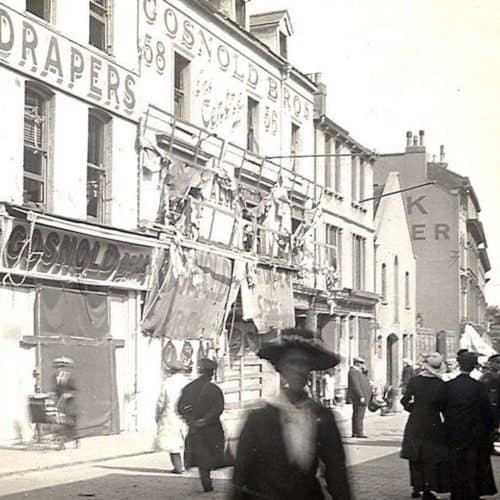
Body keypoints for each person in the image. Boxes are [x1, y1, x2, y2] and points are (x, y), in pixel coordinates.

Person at [231, 327, 351, 500]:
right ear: (280, 366)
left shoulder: (323, 417)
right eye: (292, 362)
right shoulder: (258, 419)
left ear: (311, 368)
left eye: (305, 363)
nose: (299, 370)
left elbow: (337, 475)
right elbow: (240, 476)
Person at [444, 351, 497, 500]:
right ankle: (472, 494)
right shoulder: (479, 387)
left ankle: (457, 493)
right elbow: (486, 410)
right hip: (475, 431)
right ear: (474, 366)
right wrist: (492, 426)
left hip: (453, 430)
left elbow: (442, 406)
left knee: (456, 462)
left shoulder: (449, 385)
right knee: (473, 463)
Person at [400, 352, 450, 500]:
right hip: (433, 422)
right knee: (430, 456)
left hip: (415, 421)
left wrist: (413, 409)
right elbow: (444, 406)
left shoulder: (415, 381)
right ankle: (428, 489)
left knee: (415, 455)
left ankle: (416, 487)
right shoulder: (441, 384)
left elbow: (404, 401)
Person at [177, 358, 224, 493]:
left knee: (201, 452)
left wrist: (190, 420)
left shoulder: (189, 388)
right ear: (211, 373)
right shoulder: (215, 389)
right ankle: (206, 480)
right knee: (208, 453)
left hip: (194, 428)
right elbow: (218, 408)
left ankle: (205, 479)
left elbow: (180, 407)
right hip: (211, 427)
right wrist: (205, 420)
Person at [155, 359, 189, 473]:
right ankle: (188, 465)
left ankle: (178, 467)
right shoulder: (188, 383)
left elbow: (161, 402)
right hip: (186, 415)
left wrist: (157, 415)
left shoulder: (167, 383)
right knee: (186, 440)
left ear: (171, 371)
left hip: (170, 415)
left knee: (173, 443)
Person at [51, 357, 79, 449]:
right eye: (58, 367)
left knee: (70, 424)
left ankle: (76, 439)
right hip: (59, 404)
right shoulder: (55, 377)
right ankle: (61, 443)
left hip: (69, 405)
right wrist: (52, 395)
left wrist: (68, 395)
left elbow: (74, 391)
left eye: (61, 367)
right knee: (60, 423)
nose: (59, 369)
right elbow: (55, 390)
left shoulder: (69, 377)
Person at [347, 356, 371, 438]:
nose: (362, 365)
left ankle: (356, 432)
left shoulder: (359, 371)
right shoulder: (353, 372)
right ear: (357, 363)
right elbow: (355, 385)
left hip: (361, 396)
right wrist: (360, 395)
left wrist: (365, 372)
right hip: (359, 396)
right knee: (359, 415)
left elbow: (365, 379)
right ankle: (359, 432)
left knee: (358, 414)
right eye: (361, 363)